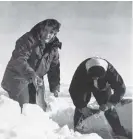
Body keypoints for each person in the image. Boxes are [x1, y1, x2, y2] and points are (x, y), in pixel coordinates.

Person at [1, 19, 62, 111]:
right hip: (18, 77)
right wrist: (32, 74)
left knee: (40, 109)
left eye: (51, 32)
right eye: (45, 30)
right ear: (41, 28)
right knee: (24, 109)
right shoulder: (28, 39)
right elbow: (19, 59)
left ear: (55, 34)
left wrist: (55, 88)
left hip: (36, 80)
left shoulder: (53, 48)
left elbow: (54, 68)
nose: (47, 34)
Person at [69, 57, 132, 138]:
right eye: (93, 77)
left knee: (109, 108)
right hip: (85, 87)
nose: (95, 78)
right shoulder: (81, 71)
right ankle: (77, 130)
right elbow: (73, 89)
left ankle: (118, 131)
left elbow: (120, 87)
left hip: (103, 88)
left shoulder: (110, 71)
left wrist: (110, 103)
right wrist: (82, 106)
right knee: (80, 106)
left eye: (98, 77)